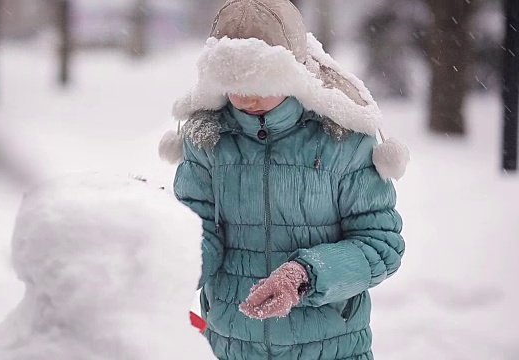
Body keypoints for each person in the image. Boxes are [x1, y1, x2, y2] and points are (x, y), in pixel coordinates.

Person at [160, 0, 410, 359]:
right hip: (233, 345)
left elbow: (380, 244)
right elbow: (199, 235)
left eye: (261, 80)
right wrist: (165, 265)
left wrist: (306, 275)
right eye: (234, 82)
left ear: (291, 72)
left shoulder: (344, 139)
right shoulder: (207, 140)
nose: (247, 95)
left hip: (331, 347)